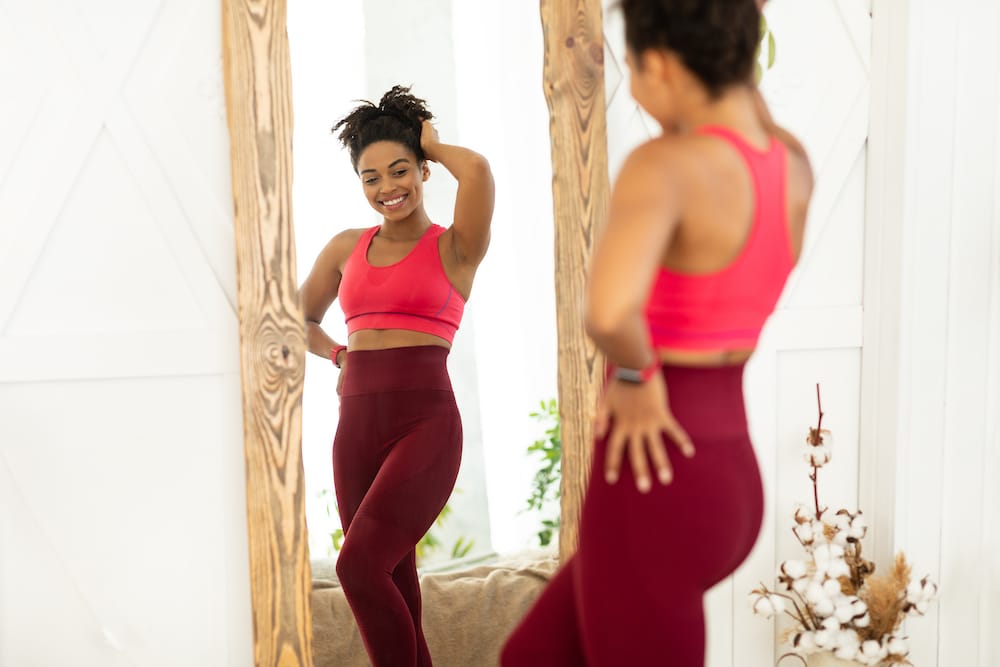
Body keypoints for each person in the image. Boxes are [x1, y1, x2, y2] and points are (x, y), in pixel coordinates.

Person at [501, 1, 813, 665]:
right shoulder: (790, 161)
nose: (633, 85)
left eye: (632, 65)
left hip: (655, 476)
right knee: (533, 656)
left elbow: (609, 313)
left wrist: (639, 374)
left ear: (663, 65)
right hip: (727, 477)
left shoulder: (666, 165)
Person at [299, 85, 494, 667]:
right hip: (355, 427)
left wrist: (430, 140)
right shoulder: (345, 247)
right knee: (393, 578)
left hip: (425, 424)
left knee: (356, 566)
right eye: (371, 177)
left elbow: (479, 170)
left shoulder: (456, 248)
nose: (388, 188)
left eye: (401, 169)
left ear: (425, 170)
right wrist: (338, 356)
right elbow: (296, 319)